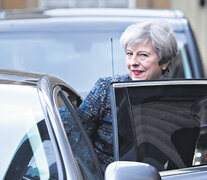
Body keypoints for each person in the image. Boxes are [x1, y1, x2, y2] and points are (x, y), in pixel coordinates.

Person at [76, 20, 178, 171]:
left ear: (164, 62)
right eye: (129, 54)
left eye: (143, 55)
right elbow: (75, 136)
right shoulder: (105, 89)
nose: (133, 62)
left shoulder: (176, 96)